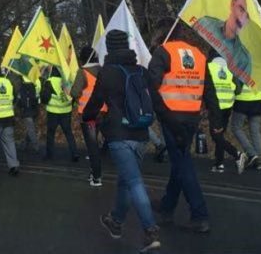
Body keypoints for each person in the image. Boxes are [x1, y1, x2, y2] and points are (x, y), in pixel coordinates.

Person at [86, 30, 161, 253]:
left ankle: (150, 231)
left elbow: (94, 103)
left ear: (109, 47)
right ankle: (116, 221)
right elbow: (154, 99)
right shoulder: (141, 70)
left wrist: (88, 116)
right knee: (126, 180)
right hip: (141, 134)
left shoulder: (107, 73)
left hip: (119, 134)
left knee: (134, 181)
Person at [148, 19, 211, 233]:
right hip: (192, 116)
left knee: (183, 164)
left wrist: (161, 113)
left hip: (171, 116)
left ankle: (199, 214)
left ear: (162, 34)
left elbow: (152, 86)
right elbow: (208, 88)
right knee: (179, 160)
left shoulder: (163, 53)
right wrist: (216, 119)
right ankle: (167, 206)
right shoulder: (198, 54)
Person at [189, 0, 253, 80]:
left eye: (247, 16)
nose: (241, 19)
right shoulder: (204, 24)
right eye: (241, 9)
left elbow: (241, 89)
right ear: (232, 4)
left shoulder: (243, 60)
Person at [71, 46, 106, 186]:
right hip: (103, 112)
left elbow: (75, 92)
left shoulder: (83, 72)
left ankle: (96, 177)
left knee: (92, 146)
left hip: (88, 114)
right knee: (98, 143)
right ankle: (94, 173)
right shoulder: (103, 70)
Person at [205, 56, 240, 173]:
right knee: (220, 134)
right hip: (228, 106)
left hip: (216, 105)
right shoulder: (229, 67)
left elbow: (206, 87)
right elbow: (237, 89)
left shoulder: (209, 67)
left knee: (215, 135)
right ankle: (219, 163)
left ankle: (236, 154)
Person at [41, 66, 79, 161]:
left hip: (53, 112)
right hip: (66, 111)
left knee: (50, 134)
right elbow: (73, 96)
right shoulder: (68, 82)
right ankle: (74, 153)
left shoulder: (50, 81)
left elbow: (45, 98)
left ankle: (49, 155)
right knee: (68, 132)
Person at [231, 77, 261, 173]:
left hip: (242, 99)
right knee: (255, 130)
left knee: (236, 127)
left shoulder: (239, 67)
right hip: (258, 98)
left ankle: (252, 154)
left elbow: (236, 83)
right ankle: (258, 159)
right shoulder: (259, 68)